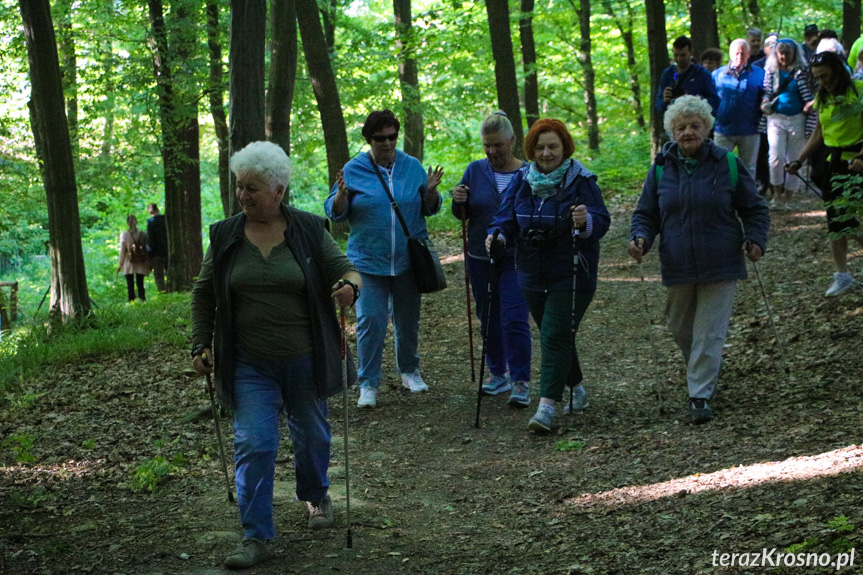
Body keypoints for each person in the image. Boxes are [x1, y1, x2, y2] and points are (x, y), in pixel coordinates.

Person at [191, 141, 361, 569]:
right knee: (254, 442)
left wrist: (349, 288)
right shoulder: (225, 235)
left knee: (313, 437)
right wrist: (201, 342)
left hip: (305, 358)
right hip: (248, 363)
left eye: (252, 188)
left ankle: (316, 494)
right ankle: (256, 536)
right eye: (238, 186)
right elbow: (204, 292)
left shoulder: (306, 228)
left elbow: (346, 268)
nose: (242, 195)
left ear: (279, 191)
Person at [629, 95, 770, 424]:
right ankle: (704, 371)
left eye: (695, 125)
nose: (688, 132)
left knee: (709, 332)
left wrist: (756, 239)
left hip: (720, 261)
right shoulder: (662, 167)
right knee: (680, 327)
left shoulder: (728, 163)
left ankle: (700, 396)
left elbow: (754, 209)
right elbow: (646, 214)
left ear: (707, 128)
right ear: (672, 132)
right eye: (681, 127)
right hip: (677, 263)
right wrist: (640, 239)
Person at [487, 119, 610, 432]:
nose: (546, 153)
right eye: (540, 147)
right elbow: (504, 220)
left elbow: (602, 222)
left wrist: (586, 221)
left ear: (564, 148)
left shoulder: (581, 181)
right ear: (531, 149)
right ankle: (577, 391)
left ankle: (546, 407)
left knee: (554, 335)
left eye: (553, 146)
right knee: (558, 334)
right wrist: (496, 236)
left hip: (572, 272)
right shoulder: (521, 181)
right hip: (530, 272)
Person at [324, 109, 443, 409]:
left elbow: (429, 208)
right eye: (380, 139)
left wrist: (430, 193)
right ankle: (368, 383)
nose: (388, 144)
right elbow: (334, 212)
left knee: (407, 320)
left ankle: (409, 371)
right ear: (369, 140)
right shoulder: (353, 169)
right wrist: (341, 197)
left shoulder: (412, 166)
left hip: (407, 261)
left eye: (392, 137)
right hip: (367, 262)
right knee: (371, 321)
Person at [451, 111, 533, 407]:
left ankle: (521, 379)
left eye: (497, 144)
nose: (492, 151)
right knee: (488, 318)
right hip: (479, 257)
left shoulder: (528, 173)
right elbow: (462, 212)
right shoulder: (474, 171)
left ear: (512, 140)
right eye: (487, 145)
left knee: (514, 318)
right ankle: (497, 373)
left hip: (515, 258)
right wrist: (457, 200)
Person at [786, 51, 863, 297]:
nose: (823, 82)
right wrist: (799, 159)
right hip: (833, 164)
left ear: (838, 70)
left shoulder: (859, 90)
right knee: (836, 221)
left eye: (826, 76)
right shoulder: (823, 96)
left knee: (855, 218)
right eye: (818, 78)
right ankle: (842, 275)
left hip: (857, 161)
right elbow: (819, 132)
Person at [761, 39, 815, 205]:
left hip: (798, 119)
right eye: (781, 53)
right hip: (776, 118)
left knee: (794, 159)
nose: (784, 56)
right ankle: (777, 194)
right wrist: (764, 103)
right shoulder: (771, 71)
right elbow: (767, 93)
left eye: (788, 53)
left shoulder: (803, 72)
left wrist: (810, 106)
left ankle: (788, 197)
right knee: (775, 157)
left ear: (794, 54)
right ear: (776, 54)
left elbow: (811, 93)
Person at [713, 39, 766, 176]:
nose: (739, 57)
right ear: (730, 54)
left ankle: (748, 197)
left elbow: (767, 95)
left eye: (743, 54)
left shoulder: (760, 74)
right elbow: (709, 100)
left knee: (748, 169)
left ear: (749, 54)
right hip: (723, 130)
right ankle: (722, 196)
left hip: (750, 130)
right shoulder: (717, 75)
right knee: (719, 167)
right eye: (736, 53)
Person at [656, 36, 720, 118]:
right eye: (676, 55)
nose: (679, 59)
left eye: (683, 55)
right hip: (675, 123)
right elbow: (658, 106)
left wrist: (693, 101)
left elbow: (715, 102)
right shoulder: (667, 74)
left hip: (696, 123)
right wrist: (664, 101)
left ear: (691, 53)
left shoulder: (702, 74)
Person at [117, 214, 149, 302]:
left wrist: (120, 264)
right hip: (141, 262)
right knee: (140, 283)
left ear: (127, 223)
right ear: (136, 222)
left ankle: (131, 301)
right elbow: (147, 250)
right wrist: (149, 264)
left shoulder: (124, 235)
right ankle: (142, 300)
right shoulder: (143, 234)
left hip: (129, 262)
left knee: (130, 284)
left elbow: (122, 251)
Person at [146, 203, 168, 293]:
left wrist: (150, 254)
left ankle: (163, 293)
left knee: (159, 276)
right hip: (168, 251)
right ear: (157, 210)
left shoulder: (151, 222)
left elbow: (151, 240)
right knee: (169, 273)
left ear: (150, 212)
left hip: (156, 254)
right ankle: (172, 291)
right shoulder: (166, 219)